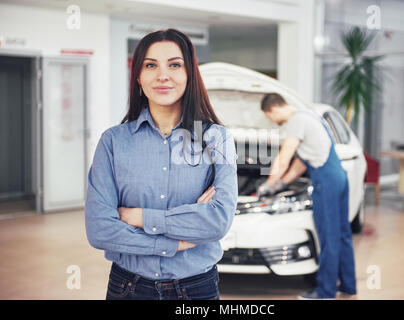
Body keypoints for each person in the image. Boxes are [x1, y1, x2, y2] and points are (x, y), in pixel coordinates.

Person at [84, 29, 238, 300]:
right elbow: (100, 230)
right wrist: (175, 242)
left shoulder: (218, 139)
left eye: (175, 65)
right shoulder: (113, 142)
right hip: (127, 288)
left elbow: (218, 222)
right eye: (151, 65)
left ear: (189, 74)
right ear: (139, 77)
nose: (162, 75)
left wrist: (139, 217)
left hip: (196, 290)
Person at [257, 93, 357, 299]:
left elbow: (284, 157)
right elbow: (301, 162)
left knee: (328, 236)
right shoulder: (309, 116)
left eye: (269, 118)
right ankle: (348, 285)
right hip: (338, 177)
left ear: (272, 110)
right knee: (342, 234)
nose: (272, 122)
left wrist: (268, 183)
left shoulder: (297, 121)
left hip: (326, 180)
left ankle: (325, 291)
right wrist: (282, 183)